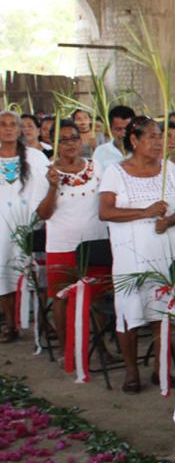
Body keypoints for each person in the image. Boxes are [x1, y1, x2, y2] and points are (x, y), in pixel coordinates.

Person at [98, 116, 175, 392]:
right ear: (134, 140)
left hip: (166, 253)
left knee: (164, 310)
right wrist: (145, 212)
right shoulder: (115, 172)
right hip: (130, 258)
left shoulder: (169, 169)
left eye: (159, 136)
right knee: (129, 312)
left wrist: (170, 220)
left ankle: (160, 369)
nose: (158, 142)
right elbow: (105, 211)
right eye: (151, 136)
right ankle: (131, 373)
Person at [36, 120, 109, 356]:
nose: (70, 144)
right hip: (62, 245)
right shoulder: (47, 172)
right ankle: (67, 350)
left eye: (74, 138)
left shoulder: (96, 166)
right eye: (64, 139)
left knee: (98, 297)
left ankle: (101, 348)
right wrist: (52, 187)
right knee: (61, 298)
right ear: (55, 143)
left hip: (94, 243)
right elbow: (43, 214)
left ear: (81, 140)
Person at [0, 111, 50, 341]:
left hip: (29, 224)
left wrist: (37, 219)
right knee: (4, 274)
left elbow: (46, 188)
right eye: (3, 124)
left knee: (36, 273)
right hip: (1, 227)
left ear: (20, 129)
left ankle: (43, 323)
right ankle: (11, 324)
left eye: (13, 124)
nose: (8, 128)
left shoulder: (35, 157)